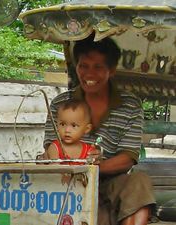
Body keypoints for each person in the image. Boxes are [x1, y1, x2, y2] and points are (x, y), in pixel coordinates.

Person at [44, 34, 156, 225]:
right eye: (83, 66)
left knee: (139, 182)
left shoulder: (130, 105)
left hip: (111, 182)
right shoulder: (60, 103)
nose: (89, 74)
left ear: (111, 71)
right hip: (67, 183)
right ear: (76, 67)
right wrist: (73, 166)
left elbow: (128, 157)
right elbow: (50, 149)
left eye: (98, 67)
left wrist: (94, 167)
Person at [47, 98, 93, 165]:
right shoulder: (55, 148)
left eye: (74, 126)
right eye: (62, 124)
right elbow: (55, 169)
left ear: (87, 129)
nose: (67, 130)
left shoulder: (89, 151)